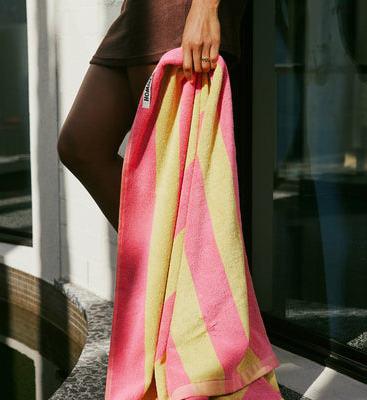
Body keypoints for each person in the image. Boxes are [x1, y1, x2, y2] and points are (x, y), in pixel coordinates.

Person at [57, 0, 247, 231]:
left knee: (172, 181)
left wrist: (204, 8)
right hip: (139, 11)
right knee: (80, 146)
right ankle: (159, 259)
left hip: (180, 11)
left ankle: (172, 264)